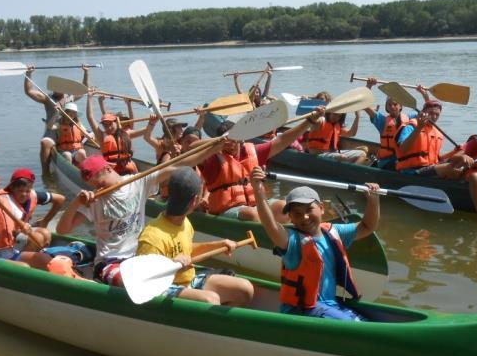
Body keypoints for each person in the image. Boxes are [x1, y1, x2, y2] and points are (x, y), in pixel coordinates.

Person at [56, 144, 223, 286]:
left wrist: (217, 146)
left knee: (162, 275)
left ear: (108, 169)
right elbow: (62, 230)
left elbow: (181, 163)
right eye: (94, 186)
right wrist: (76, 203)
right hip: (110, 262)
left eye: (100, 184)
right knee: (136, 282)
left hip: (139, 258)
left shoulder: (138, 181)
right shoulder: (95, 200)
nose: (98, 190)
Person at [250, 167, 380, 321]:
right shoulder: (292, 242)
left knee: (364, 321)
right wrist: (258, 191)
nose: (304, 217)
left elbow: (367, 226)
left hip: (330, 306)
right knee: (357, 326)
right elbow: (271, 226)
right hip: (302, 311)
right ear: (290, 217)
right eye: (297, 214)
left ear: (322, 208)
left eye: (309, 209)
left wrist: (373, 200)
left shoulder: (334, 232)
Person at [136, 168, 254, 305]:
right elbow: (144, 279)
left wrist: (220, 244)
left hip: (189, 280)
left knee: (245, 289)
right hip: (164, 288)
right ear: (195, 200)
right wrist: (172, 265)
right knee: (211, 300)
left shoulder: (185, 223)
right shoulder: (151, 236)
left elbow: (187, 250)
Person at [199, 117, 313, 222]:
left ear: (240, 138)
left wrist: (309, 122)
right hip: (226, 210)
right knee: (251, 214)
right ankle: (267, 235)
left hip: (255, 204)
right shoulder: (213, 160)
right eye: (226, 142)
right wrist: (219, 141)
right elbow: (190, 147)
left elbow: (282, 140)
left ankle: (284, 236)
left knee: (284, 207)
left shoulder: (254, 152)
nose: (230, 145)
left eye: (234, 139)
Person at [24, 64, 90, 174]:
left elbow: (84, 90)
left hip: (70, 127)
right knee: (45, 143)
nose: (56, 90)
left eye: (59, 87)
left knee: (91, 136)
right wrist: (29, 74)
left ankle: (84, 166)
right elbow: (29, 91)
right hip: (53, 129)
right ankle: (46, 172)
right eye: (55, 87)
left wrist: (86, 72)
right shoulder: (47, 98)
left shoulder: (70, 97)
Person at [394, 95, 462, 178]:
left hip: (429, 168)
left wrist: (454, 152)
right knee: (450, 168)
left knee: (460, 162)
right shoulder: (411, 126)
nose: (434, 117)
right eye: (431, 113)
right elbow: (403, 149)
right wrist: (419, 128)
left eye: (437, 114)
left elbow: (437, 158)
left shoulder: (438, 133)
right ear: (423, 113)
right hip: (411, 170)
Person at [362, 77, 418, 170]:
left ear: (401, 106)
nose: (392, 107)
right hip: (387, 162)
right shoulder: (382, 121)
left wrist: (424, 94)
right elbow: (364, 104)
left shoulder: (410, 117)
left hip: (404, 158)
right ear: (386, 108)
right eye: (389, 104)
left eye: (395, 104)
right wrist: (369, 86)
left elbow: (427, 112)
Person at [86, 93, 145, 175]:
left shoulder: (125, 132)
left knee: (133, 165)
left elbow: (140, 127)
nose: (108, 127)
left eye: (110, 124)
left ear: (116, 123)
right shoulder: (102, 136)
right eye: (105, 125)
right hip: (114, 172)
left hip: (127, 167)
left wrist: (152, 122)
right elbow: (90, 117)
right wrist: (90, 98)